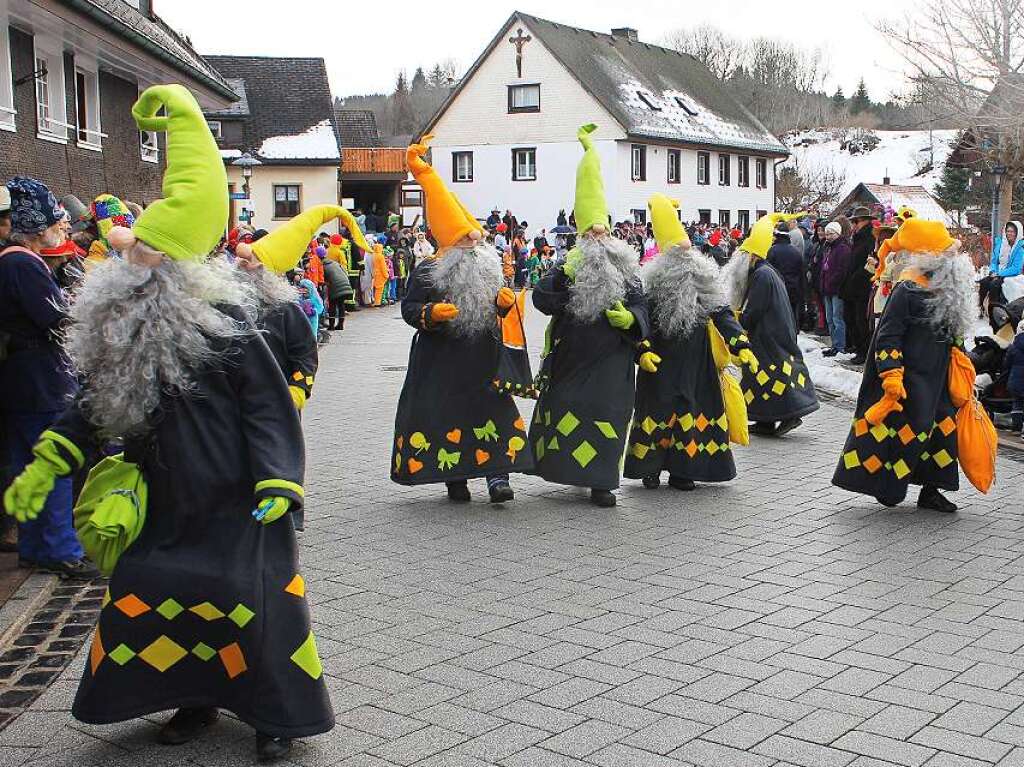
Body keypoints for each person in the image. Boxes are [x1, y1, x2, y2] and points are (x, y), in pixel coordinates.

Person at [3, 85, 333, 759]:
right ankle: (191, 695)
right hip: (164, 498)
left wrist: (279, 480)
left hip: (241, 501)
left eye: (148, 257)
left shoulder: (234, 325)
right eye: (135, 258)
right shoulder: (124, 331)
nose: (133, 267)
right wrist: (51, 459)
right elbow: (95, 407)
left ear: (178, 267)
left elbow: (268, 406)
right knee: (156, 591)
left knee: (257, 601)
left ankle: (277, 713)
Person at [391, 137, 531, 502]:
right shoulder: (426, 272)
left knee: (493, 414)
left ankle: (498, 477)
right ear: (450, 245)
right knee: (447, 417)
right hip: (442, 361)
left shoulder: (489, 268)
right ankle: (456, 478)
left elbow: (498, 311)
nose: (473, 250)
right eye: (466, 245)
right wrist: (430, 313)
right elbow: (409, 309)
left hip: (484, 358)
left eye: (475, 244)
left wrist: (503, 305)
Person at [529, 125, 649, 508]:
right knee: (568, 411)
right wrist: (564, 277)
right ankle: (566, 471)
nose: (598, 238)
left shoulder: (628, 270)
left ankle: (601, 483)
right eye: (591, 233)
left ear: (611, 234)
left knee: (607, 415)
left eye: (603, 232)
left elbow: (643, 307)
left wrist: (630, 320)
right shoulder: (567, 264)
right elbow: (541, 299)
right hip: (572, 357)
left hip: (613, 360)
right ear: (581, 236)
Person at [832, 219, 978, 513]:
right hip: (911, 377)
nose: (955, 259)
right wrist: (891, 375)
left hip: (940, 378)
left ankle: (932, 490)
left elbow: (953, 333)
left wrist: (962, 358)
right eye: (949, 253)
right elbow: (888, 336)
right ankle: (889, 486)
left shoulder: (947, 289)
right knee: (910, 431)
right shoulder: (907, 290)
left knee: (942, 431)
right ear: (931, 256)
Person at [625, 195, 758, 491]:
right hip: (660, 358)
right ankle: (651, 467)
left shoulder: (702, 277)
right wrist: (642, 350)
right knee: (656, 410)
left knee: (692, 409)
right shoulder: (651, 282)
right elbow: (641, 320)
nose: (684, 257)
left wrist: (740, 344)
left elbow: (721, 311)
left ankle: (684, 470)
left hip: (697, 359)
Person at [0, 178, 94, 579]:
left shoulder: (11, 260)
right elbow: (57, 320)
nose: (63, 228)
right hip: (40, 379)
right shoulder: (23, 263)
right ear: (39, 226)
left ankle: (36, 546)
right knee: (54, 461)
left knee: (27, 463)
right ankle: (59, 548)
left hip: (20, 377)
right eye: (57, 222)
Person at [721, 213, 819, 436]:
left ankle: (791, 414)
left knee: (774, 376)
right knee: (760, 378)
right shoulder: (763, 272)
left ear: (752, 256)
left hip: (770, 335)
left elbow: (754, 310)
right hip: (770, 333)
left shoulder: (763, 275)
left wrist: (737, 322)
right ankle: (765, 420)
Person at [840, 206, 876, 365]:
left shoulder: (870, 238)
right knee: (850, 318)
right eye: (853, 221)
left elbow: (870, 264)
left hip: (862, 287)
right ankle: (859, 348)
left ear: (865, 221)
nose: (853, 225)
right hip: (852, 286)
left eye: (856, 221)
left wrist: (856, 279)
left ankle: (864, 351)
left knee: (861, 321)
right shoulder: (857, 238)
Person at [819, 221, 851, 356]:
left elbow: (841, 270)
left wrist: (831, 282)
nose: (828, 236)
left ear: (837, 233)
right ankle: (834, 344)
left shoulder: (843, 249)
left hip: (837, 289)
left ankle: (840, 346)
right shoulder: (828, 248)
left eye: (831, 234)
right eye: (826, 234)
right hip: (827, 288)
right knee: (829, 318)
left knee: (837, 318)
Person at [979, 221, 1023, 311]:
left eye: (1012, 231)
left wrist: (999, 274)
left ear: (1017, 233)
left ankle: (994, 310)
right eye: (1008, 231)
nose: (1009, 233)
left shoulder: (1020, 248)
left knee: (994, 284)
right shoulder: (1000, 244)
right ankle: (980, 307)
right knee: (984, 282)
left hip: (1010, 275)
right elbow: (994, 261)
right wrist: (993, 271)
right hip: (997, 273)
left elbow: (1016, 268)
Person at [766, 221, 805, 325]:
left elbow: (768, 272)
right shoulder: (796, 252)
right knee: (791, 316)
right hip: (793, 289)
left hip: (777, 290)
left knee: (778, 318)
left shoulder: (772, 251)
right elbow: (802, 274)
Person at [1005, 320, 1024, 437]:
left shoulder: (1014, 346)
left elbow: (1006, 363)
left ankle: (1016, 428)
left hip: (1015, 380)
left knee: (1017, 404)